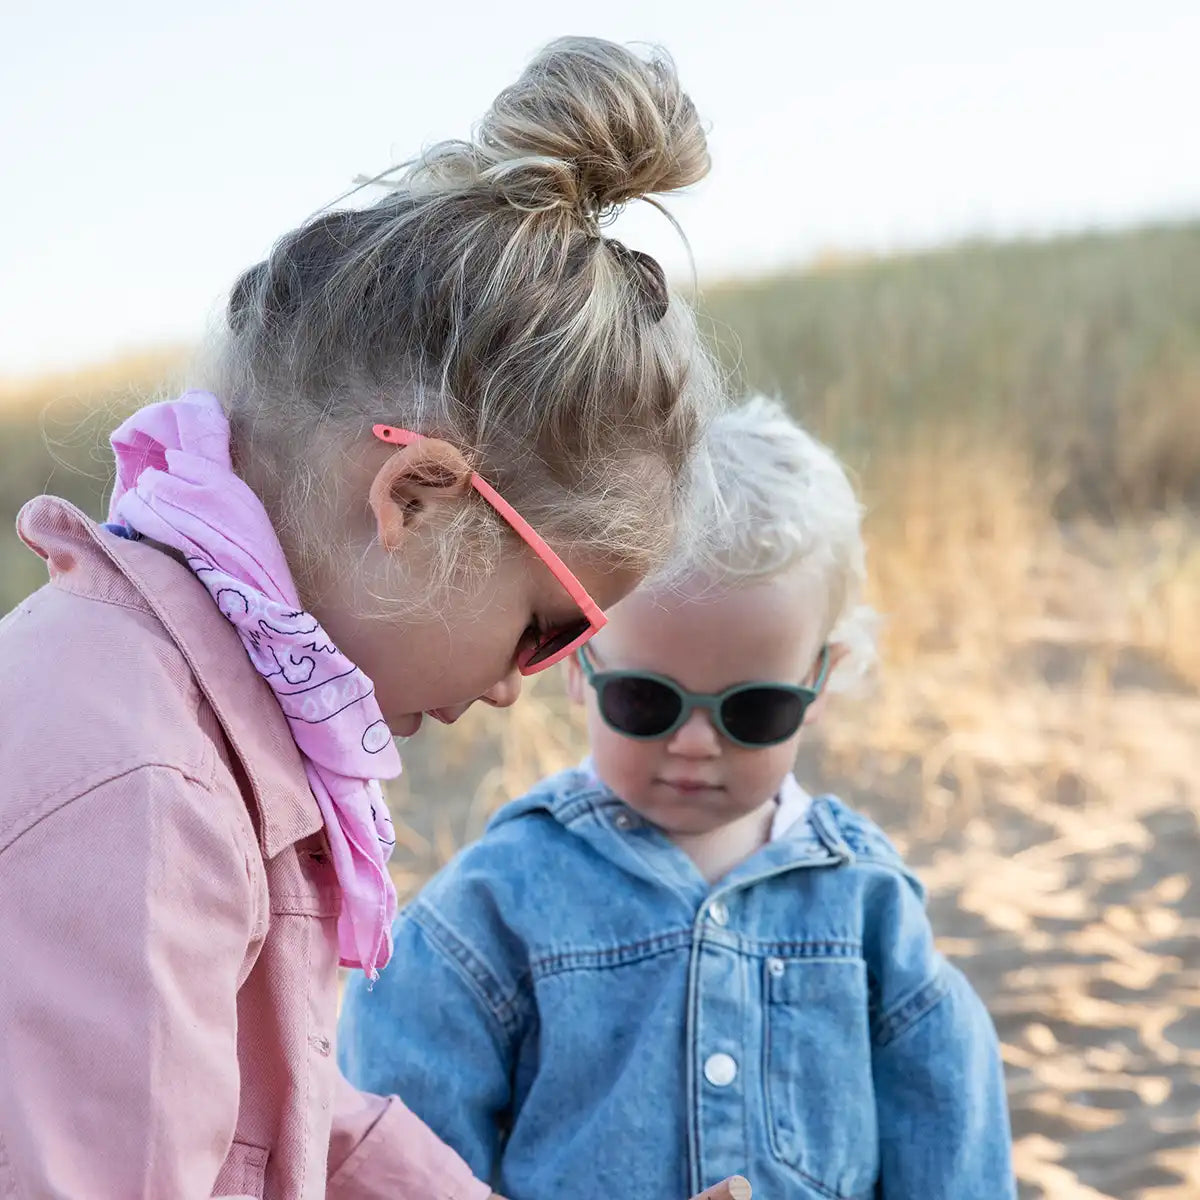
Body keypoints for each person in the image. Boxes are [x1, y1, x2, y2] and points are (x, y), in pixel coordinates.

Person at [0, 37, 722, 1200]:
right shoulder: (150, 793)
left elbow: (275, 1113)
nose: (518, 684)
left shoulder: (192, 710)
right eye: (547, 626)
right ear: (416, 499)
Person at [339, 398, 1017, 1199]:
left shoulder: (869, 909)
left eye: (753, 710)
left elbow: (951, 1143)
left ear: (820, 682)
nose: (696, 744)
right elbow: (401, 1152)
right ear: (576, 663)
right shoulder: (493, 910)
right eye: (647, 701)